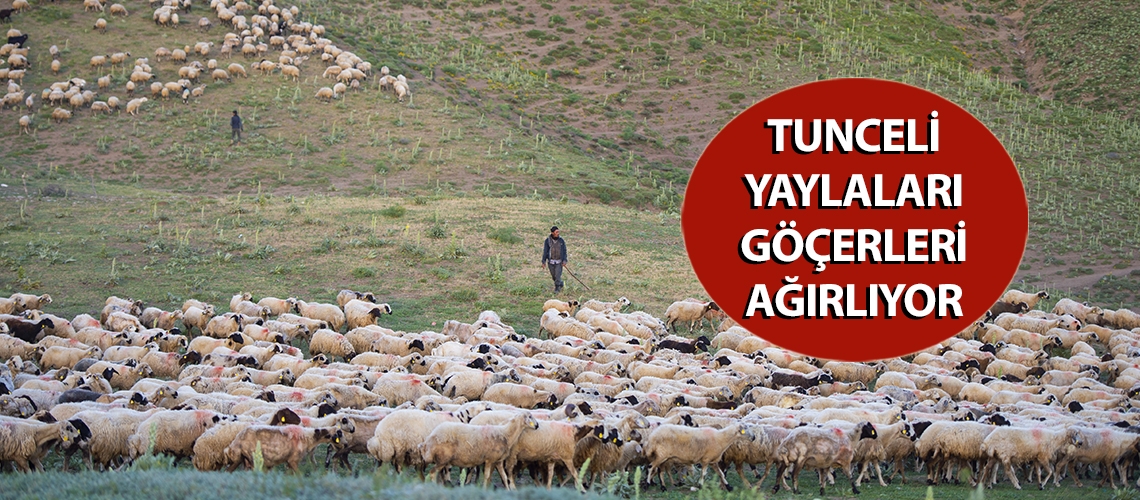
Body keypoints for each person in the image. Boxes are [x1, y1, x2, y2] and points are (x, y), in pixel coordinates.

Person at [541, 226, 568, 293]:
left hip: (559, 262)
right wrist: (543, 261)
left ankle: (557, 288)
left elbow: (564, 251)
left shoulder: (561, 240)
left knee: (557, 275)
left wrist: (564, 260)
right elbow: (545, 251)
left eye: (558, 232)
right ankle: (560, 283)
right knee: (554, 276)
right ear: (552, 233)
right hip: (551, 262)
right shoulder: (547, 241)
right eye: (556, 232)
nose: (558, 233)